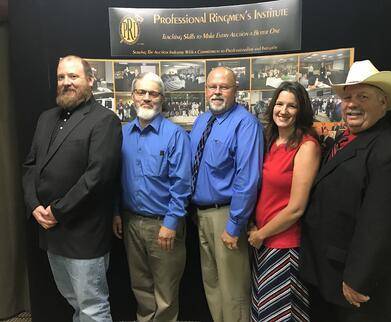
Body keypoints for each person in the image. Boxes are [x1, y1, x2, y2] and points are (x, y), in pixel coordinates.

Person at [299, 60, 391, 322]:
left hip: (358, 288)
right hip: (329, 275)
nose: (352, 104)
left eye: (363, 97)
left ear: (383, 103)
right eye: (348, 97)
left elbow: (383, 227)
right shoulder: (345, 141)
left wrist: (357, 280)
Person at [22, 55, 122, 321]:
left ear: (90, 81)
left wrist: (57, 211)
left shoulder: (104, 120)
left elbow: (98, 177)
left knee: (92, 306)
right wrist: (34, 207)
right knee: (75, 302)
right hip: (51, 232)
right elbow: (30, 165)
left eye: (73, 76)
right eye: (61, 77)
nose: (66, 82)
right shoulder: (46, 118)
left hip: (84, 233)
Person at [112, 72, 191, 322]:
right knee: (141, 287)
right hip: (131, 223)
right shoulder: (123, 134)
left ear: (162, 98)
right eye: (141, 92)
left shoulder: (175, 135)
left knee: (166, 293)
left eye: (153, 93)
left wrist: (171, 224)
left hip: (163, 225)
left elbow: (182, 184)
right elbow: (115, 178)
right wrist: (115, 211)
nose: (147, 98)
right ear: (133, 96)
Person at [190, 66, 264, 321]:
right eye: (212, 86)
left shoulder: (246, 123)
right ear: (205, 89)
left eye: (225, 87)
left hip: (227, 216)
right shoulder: (201, 122)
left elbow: (248, 178)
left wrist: (235, 224)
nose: (217, 92)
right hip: (200, 216)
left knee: (234, 292)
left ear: (236, 91)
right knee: (212, 286)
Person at [248, 82, 320, 322]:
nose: (283, 111)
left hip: (285, 246)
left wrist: (261, 235)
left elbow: (296, 208)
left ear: (302, 111)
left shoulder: (307, 146)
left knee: (280, 315)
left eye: (292, 106)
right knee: (262, 312)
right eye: (279, 104)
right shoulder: (270, 140)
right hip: (263, 242)